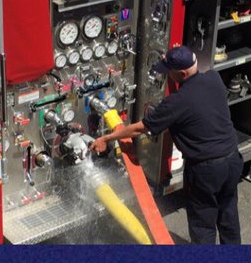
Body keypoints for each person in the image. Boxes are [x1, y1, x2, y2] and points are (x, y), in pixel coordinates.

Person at [90, 45, 242, 244]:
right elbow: (189, 79)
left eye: (169, 70)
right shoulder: (213, 78)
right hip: (232, 160)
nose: (166, 74)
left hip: (206, 171)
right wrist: (173, 56)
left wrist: (106, 138)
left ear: (180, 73)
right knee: (228, 214)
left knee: (203, 224)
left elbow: (138, 129)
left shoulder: (176, 103)